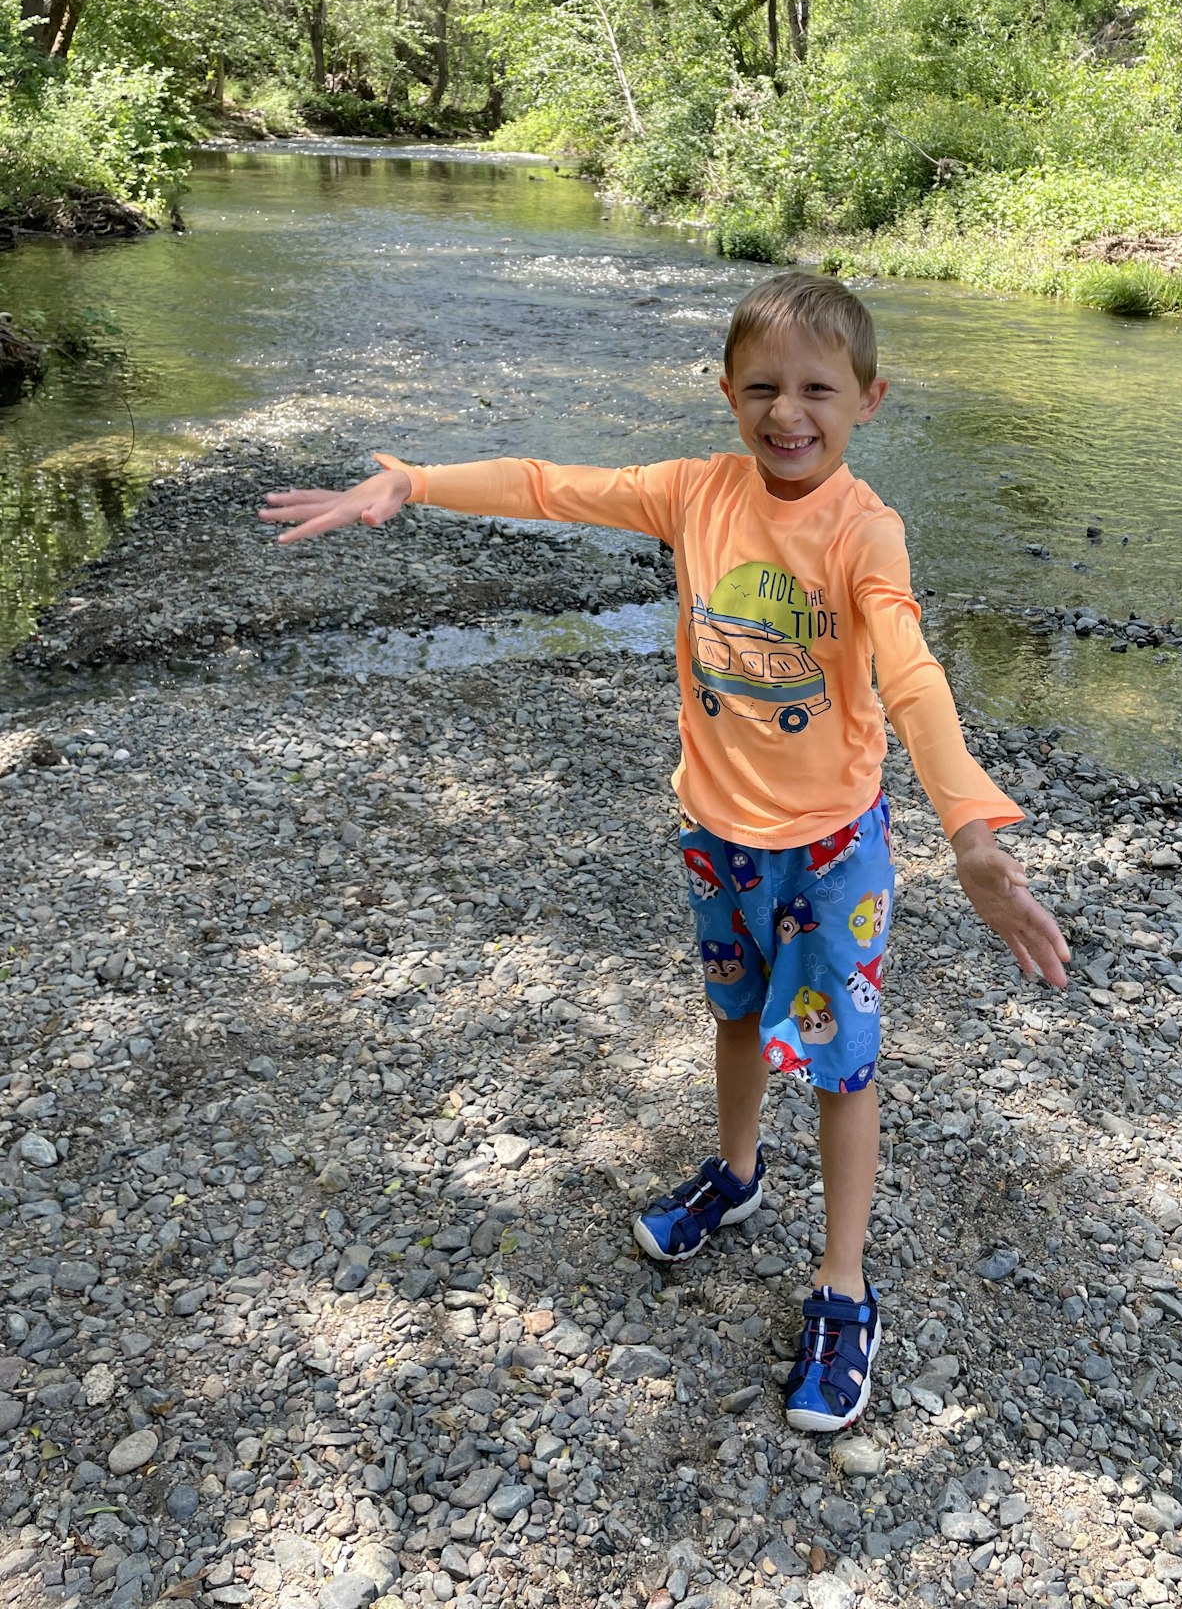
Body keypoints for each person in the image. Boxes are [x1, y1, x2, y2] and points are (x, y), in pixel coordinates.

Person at [259, 272, 1070, 1434]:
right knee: (735, 1012)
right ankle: (735, 1175)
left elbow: (910, 669)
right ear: (727, 394)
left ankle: (845, 1287)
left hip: (832, 851)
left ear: (870, 399)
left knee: (841, 1063)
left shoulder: (863, 528)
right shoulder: (696, 494)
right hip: (718, 834)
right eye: (762, 388)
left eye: (817, 391)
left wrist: (972, 831)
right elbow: (550, 483)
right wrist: (413, 482)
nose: (788, 413)